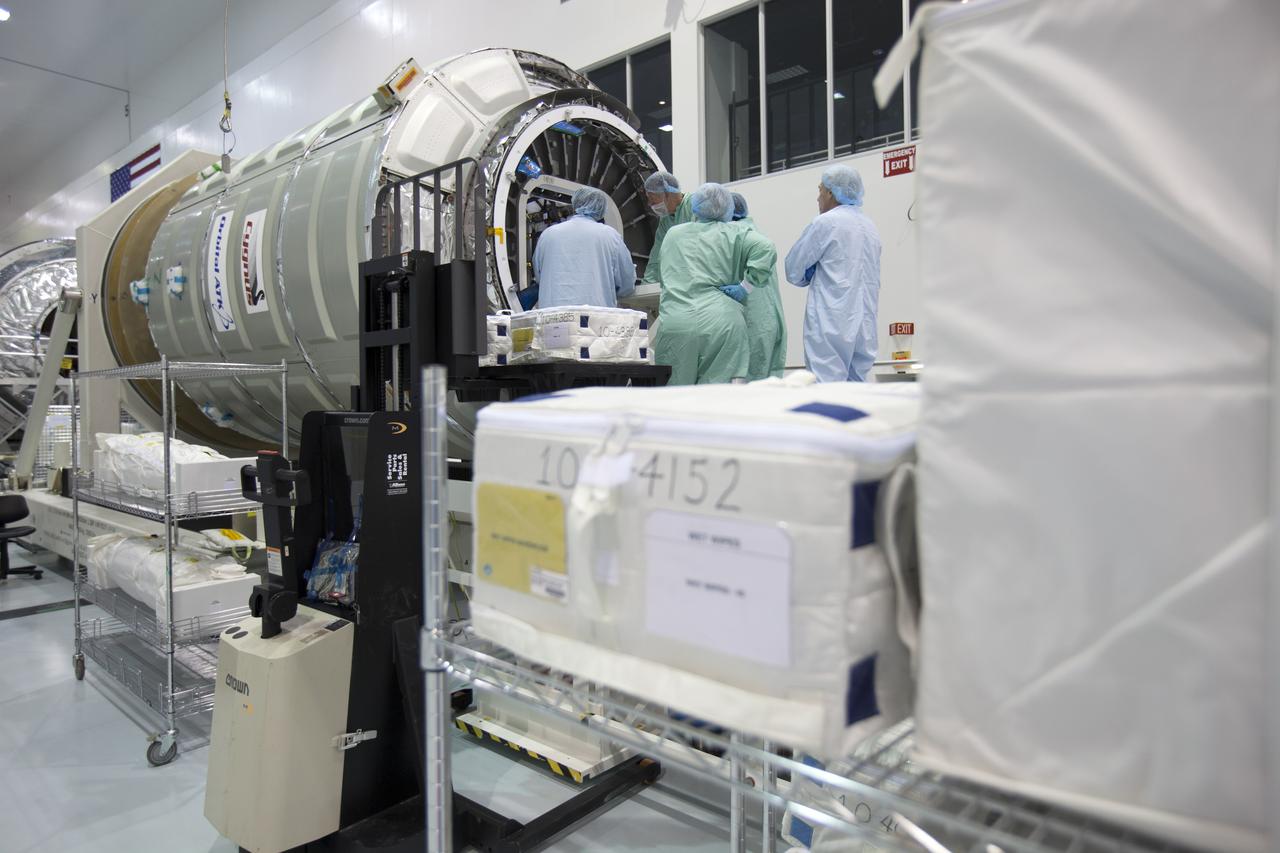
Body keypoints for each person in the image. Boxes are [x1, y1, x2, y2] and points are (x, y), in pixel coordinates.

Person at [784, 164, 882, 382]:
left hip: (832, 320)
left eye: (820, 191)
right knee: (857, 387)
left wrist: (808, 274)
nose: (818, 198)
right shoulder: (870, 227)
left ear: (831, 192)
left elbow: (793, 268)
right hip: (865, 322)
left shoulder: (825, 222)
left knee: (827, 389)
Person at [653, 183, 750, 385]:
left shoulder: (673, 234)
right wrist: (747, 286)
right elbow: (767, 249)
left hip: (678, 322)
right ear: (727, 207)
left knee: (673, 398)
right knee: (719, 401)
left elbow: (661, 269)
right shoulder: (736, 233)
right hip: (722, 322)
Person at [532, 187, 636, 308]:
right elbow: (626, 283)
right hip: (594, 318)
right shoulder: (610, 235)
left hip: (552, 317)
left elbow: (539, 276)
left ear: (575, 205)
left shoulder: (548, 234)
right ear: (601, 208)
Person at [728, 192, 786, 380]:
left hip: (753, 322)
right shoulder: (753, 232)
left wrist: (744, 287)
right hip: (768, 320)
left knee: (751, 387)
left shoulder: (736, 235)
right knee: (766, 385)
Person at [642, 171, 693, 285]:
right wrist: (647, 284)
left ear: (668, 195)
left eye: (653, 199)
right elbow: (657, 255)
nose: (650, 204)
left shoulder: (695, 207)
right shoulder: (666, 220)